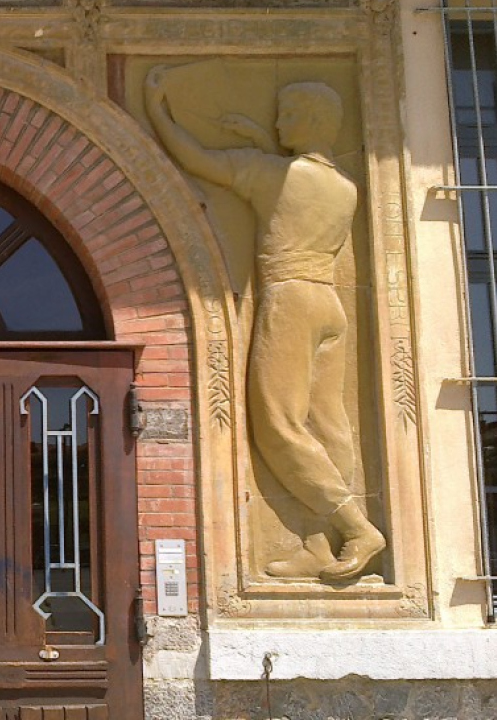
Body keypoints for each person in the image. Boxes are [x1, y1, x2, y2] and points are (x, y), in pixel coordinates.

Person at [144, 66, 386, 581]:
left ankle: (357, 527)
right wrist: (258, 143)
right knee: (327, 427)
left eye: (288, 116)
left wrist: (158, 109)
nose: (277, 125)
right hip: (328, 304)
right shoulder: (344, 188)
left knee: (276, 425)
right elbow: (294, 175)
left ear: (316, 119)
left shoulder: (272, 174)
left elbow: (195, 159)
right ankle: (320, 545)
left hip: (289, 302)